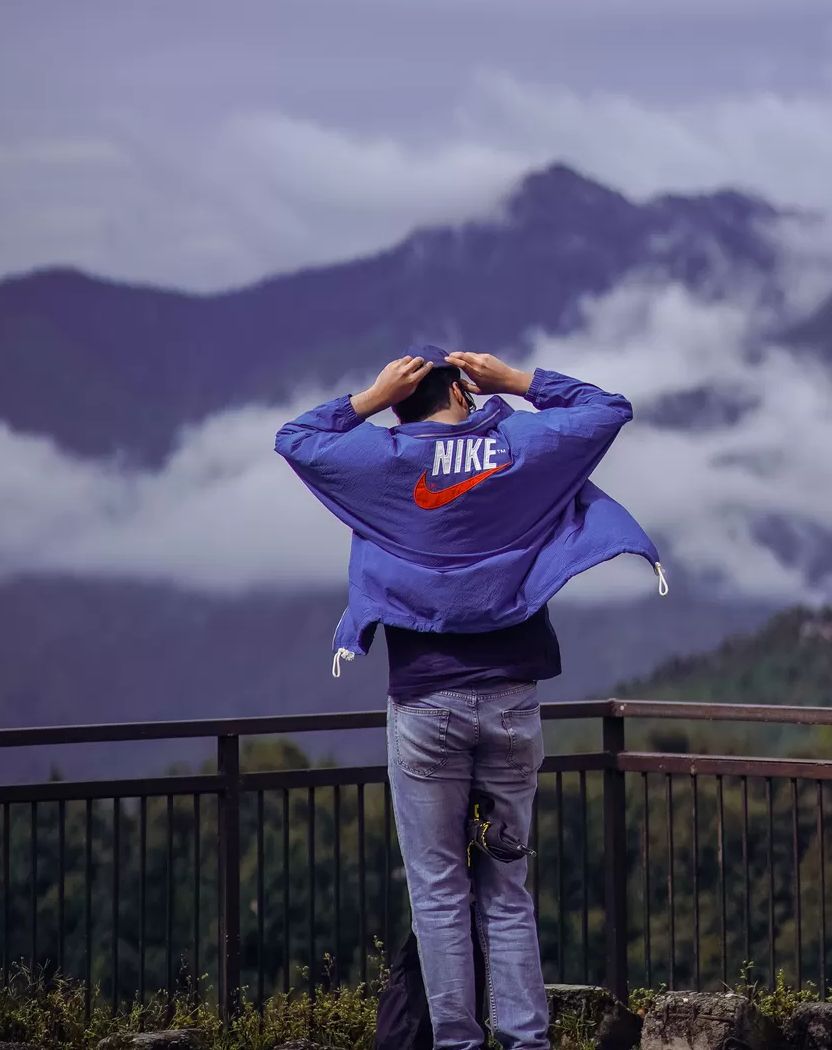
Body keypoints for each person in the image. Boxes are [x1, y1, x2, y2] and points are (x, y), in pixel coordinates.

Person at [275, 346, 662, 1050]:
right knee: (506, 889)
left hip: (425, 702)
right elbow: (608, 410)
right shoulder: (515, 446)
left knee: (439, 892)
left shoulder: (385, 463)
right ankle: (526, 1041)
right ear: (461, 388)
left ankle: (458, 1044)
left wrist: (367, 397)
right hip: (512, 698)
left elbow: (294, 439)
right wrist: (516, 381)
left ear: (405, 400)